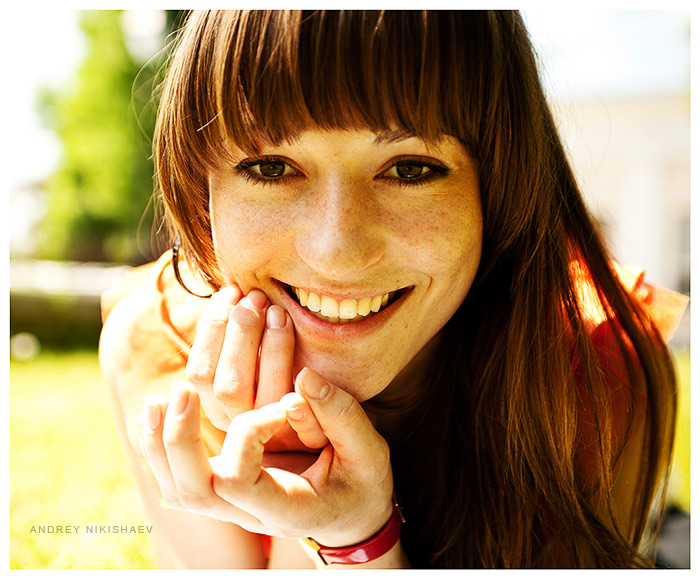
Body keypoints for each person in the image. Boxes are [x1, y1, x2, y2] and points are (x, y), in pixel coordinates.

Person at [99, 10, 689, 568]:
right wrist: (324, 518)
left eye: (411, 168)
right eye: (272, 167)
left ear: (500, 192)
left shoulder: (599, 373)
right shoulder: (157, 348)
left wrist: (359, 539)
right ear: (201, 189)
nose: (336, 250)